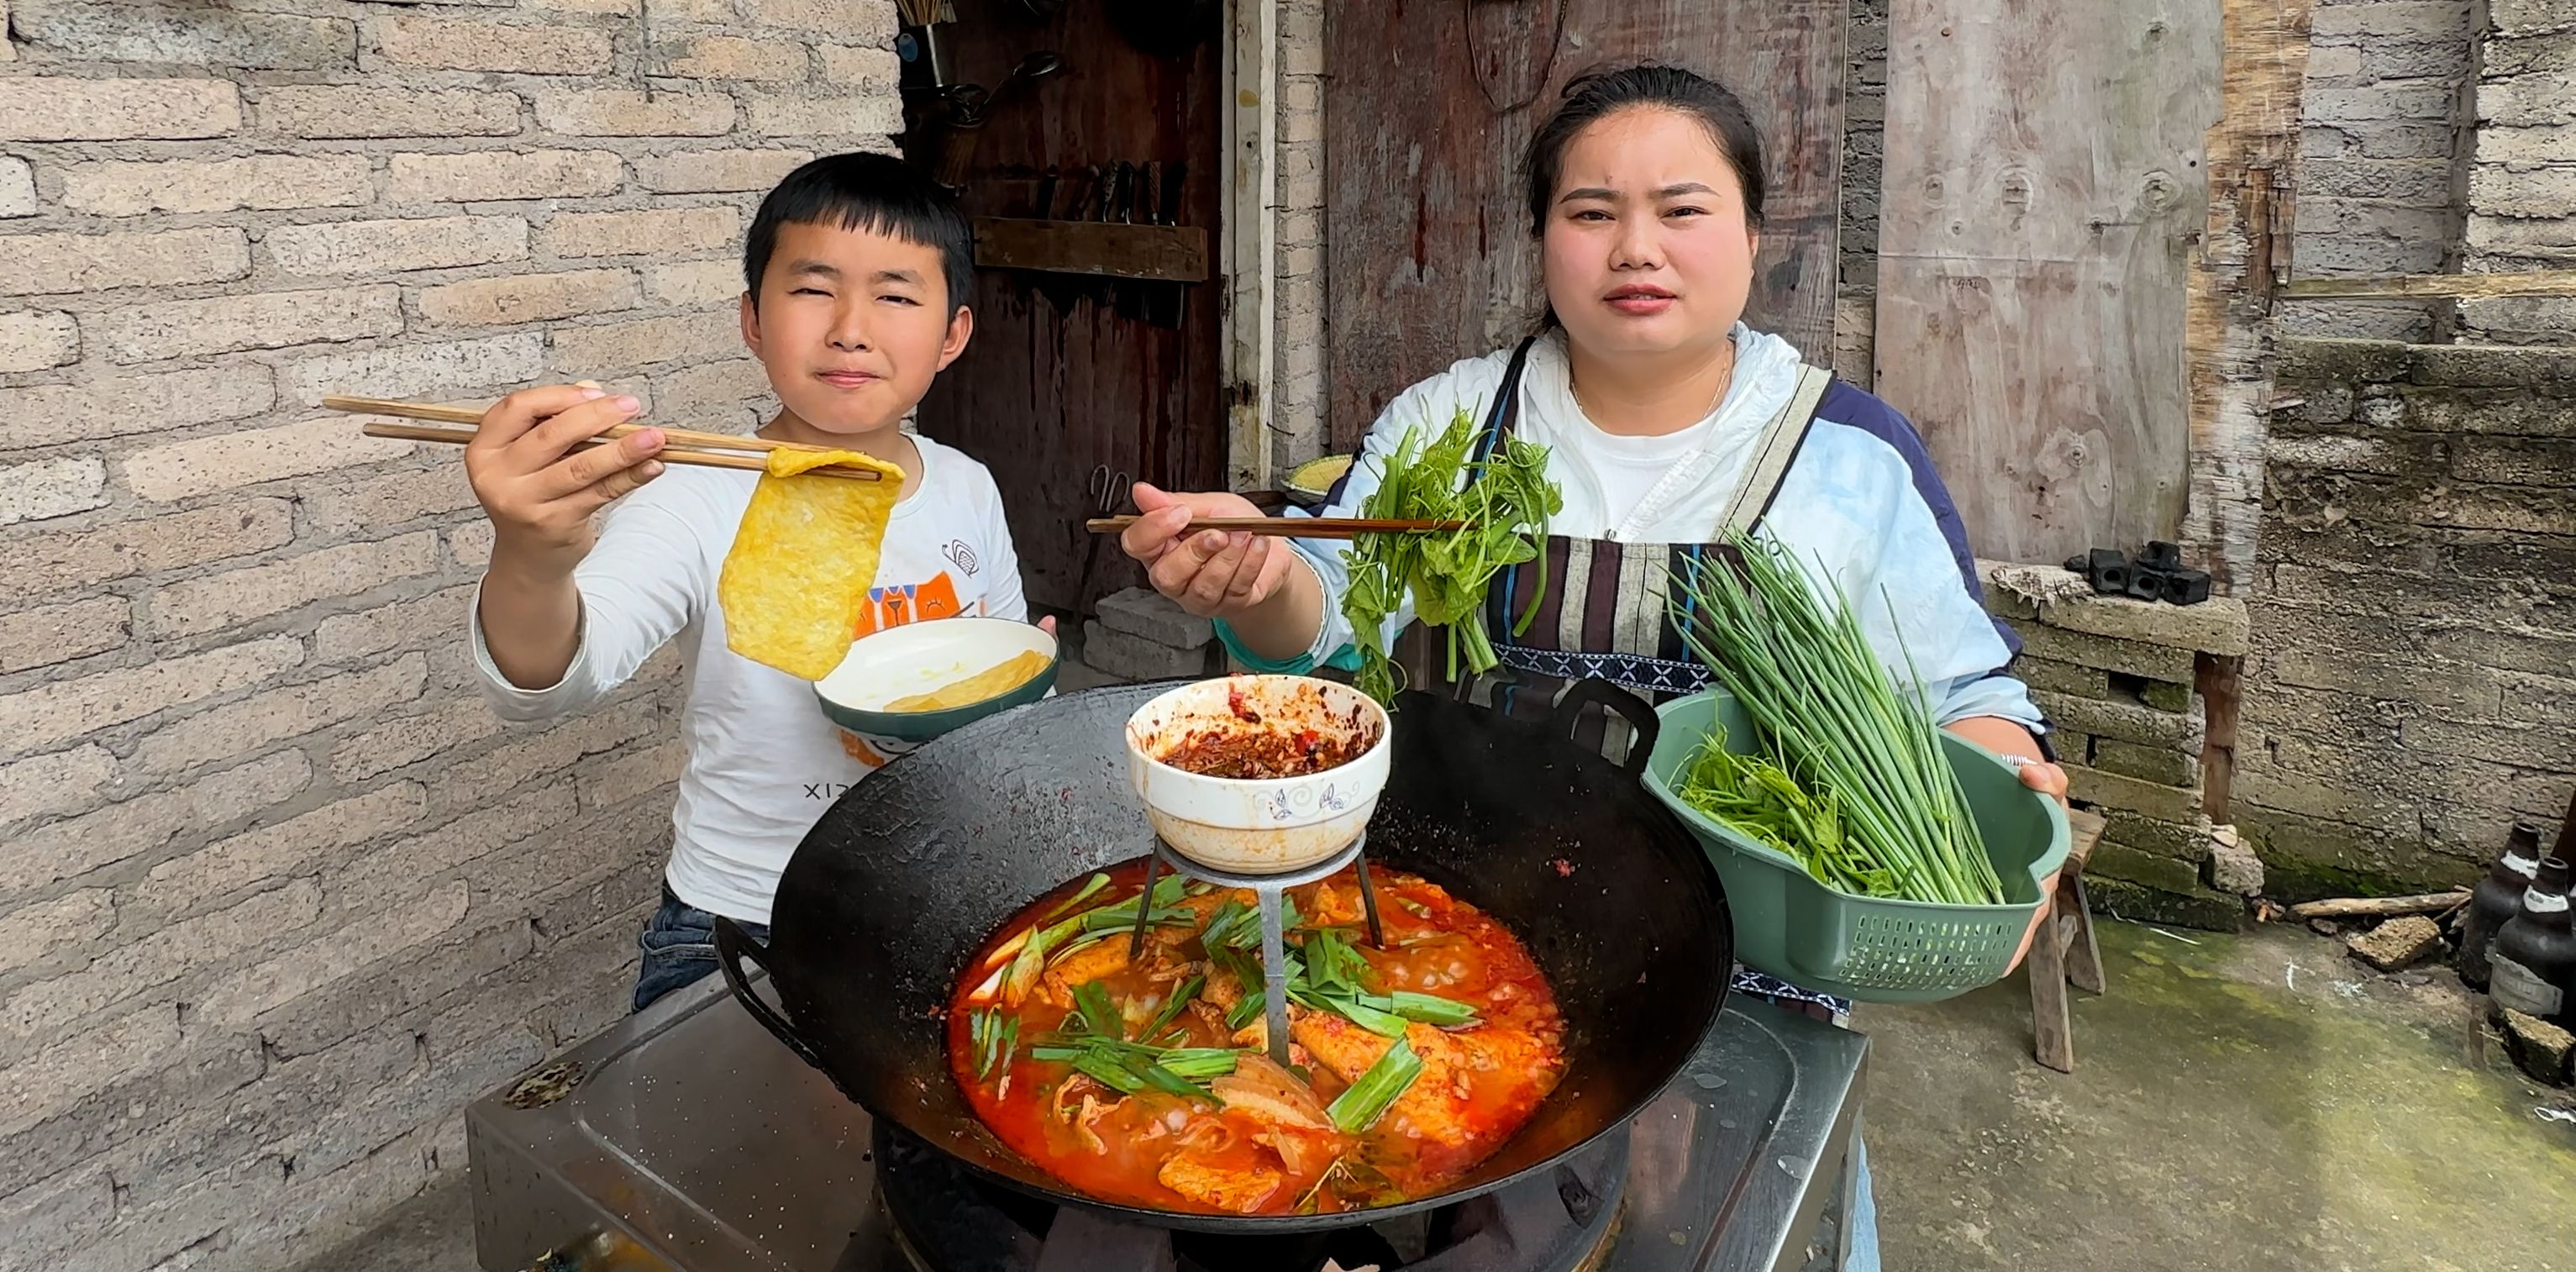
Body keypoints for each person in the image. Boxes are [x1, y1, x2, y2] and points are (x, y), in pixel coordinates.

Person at [1118, 65, 2071, 1268]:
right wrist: (1257, 579)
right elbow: (1320, 642)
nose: (1636, 247)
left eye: (1681, 209)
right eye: (1588, 212)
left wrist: (1999, 794)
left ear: (1751, 233)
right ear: (1539, 238)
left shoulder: (1848, 455)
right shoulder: (1446, 425)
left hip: (1746, 980)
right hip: (1437, 934)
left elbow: (1971, 702)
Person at [465, 152, 1042, 1013]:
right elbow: (545, 688)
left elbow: (999, 688)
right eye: (813, 290)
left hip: (937, 887)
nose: (851, 328)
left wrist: (1023, 683)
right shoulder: (697, 494)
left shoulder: (965, 484)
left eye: (895, 295)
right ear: (753, 320)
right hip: (742, 922)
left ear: (953, 334)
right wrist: (530, 554)